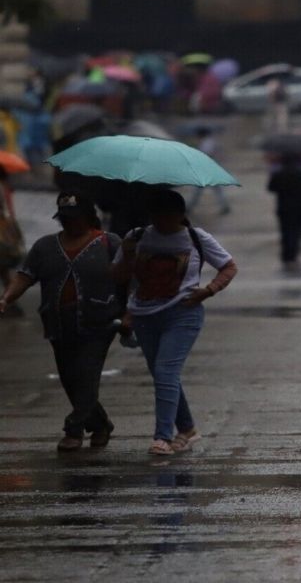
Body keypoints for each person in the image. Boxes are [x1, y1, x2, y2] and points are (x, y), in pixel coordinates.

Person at [113, 189, 237, 456]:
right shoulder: (136, 237)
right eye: (156, 215)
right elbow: (119, 276)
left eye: (168, 215)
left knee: (166, 370)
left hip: (182, 313)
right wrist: (128, 253)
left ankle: (163, 437)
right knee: (161, 373)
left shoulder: (196, 237)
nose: (161, 221)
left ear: (181, 215)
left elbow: (228, 266)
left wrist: (209, 289)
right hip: (144, 314)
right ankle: (188, 429)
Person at [0, 192, 123, 451]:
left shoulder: (109, 243)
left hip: (99, 323)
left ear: (89, 218)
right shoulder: (45, 247)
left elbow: (129, 278)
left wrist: (130, 314)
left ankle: (73, 429)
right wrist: (6, 298)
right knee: (71, 379)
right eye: (65, 218)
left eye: (76, 218)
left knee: (87, 375)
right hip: (58, 323)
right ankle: (100, 424)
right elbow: (25, 275)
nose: (70, 224)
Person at [267, 153, 301, 270]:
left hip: (284, 207)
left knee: (285, 231)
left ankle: (286, 256)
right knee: (297, 231)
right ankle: (293, 256)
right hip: (300, 206)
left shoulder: (279, 173)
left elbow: (271, 188)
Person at [187, 127, 231, 215]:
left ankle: (190, 207)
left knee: (198, 190)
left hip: (207, 169)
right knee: (217, 190)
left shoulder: (207, 142)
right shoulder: (210, 141)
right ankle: (224, 206)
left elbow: (206, 154)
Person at [0, 167, 25, 316]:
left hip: (1, 233)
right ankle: (11, 302)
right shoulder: (4, 186)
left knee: (3, 270)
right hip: (4, 232)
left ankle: (10, 302)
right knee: (3, 271)